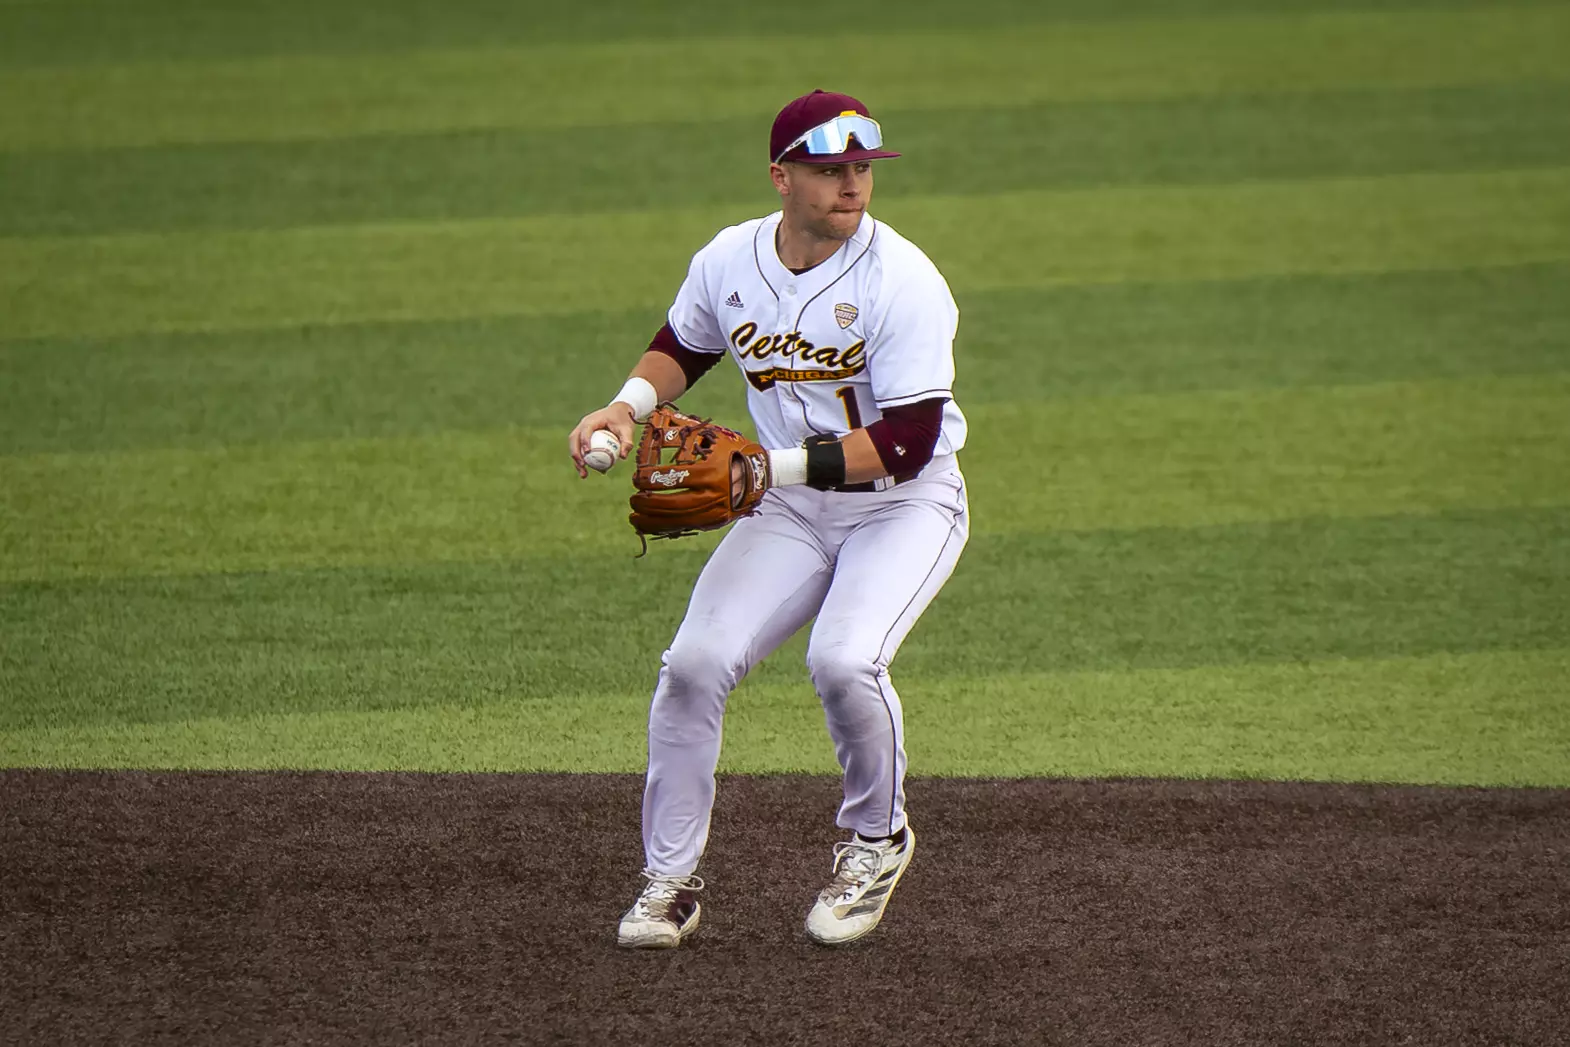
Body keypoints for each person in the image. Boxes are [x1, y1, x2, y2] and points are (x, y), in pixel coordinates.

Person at [568, 89, 970, 948]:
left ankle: (876, 839)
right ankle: (668, 882)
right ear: (782, 177)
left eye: (862, 168)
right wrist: (625, 407)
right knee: (693, 664)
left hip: (906, 504)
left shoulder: (904, 280)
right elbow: (687, 343)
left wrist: (764, 467)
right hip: (790, 503)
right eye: (830, 170)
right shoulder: (731, 256)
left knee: (845, 659)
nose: (853, 186)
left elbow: (908, 439)